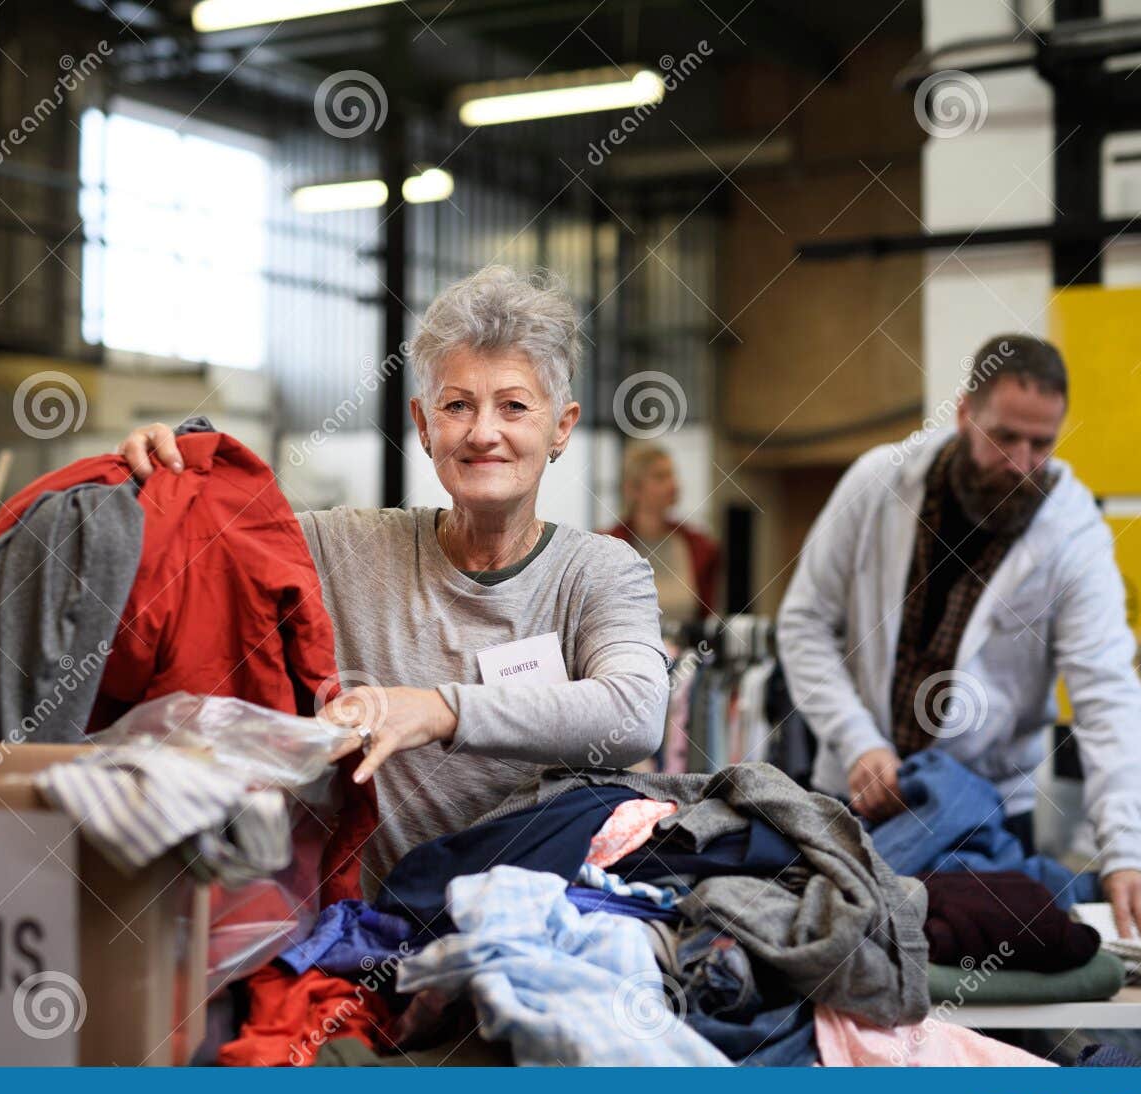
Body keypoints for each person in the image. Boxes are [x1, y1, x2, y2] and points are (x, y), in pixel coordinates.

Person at [118, 267, 668, 892]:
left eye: (513, 406)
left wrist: (435, 710)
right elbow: (207, 543)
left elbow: (635, 712)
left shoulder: (599, 571)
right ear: (423, 423)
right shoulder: (340, 545)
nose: (483, 432)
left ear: (561, 427)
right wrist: (162, 471)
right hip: (354, 937)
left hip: (522, 937)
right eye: (457, 405)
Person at [778, 334, 1141, 938]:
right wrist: (857, 740)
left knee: (988, 998)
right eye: (1004, 437)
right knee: (842, 971)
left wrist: (1128, 852)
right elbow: (804, 622)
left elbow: (1107, 697)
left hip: (986, 812)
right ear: (965, 413)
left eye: (1042, 443)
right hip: (849, 797)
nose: (1021, 462)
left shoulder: (1075, 535)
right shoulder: (879, 482)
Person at [601, 442, 719, 622]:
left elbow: (707, 620)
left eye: (672, 475)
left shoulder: (698, 546)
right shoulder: (606, 547)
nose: (673, 484)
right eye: (660, 477)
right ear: (633, 488)